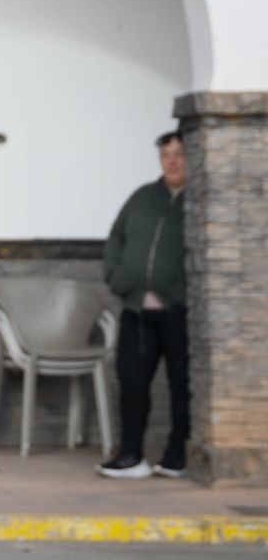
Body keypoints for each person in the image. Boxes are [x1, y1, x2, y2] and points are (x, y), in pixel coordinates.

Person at [98, 130, 189, 480]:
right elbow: (116, 238)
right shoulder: (142, 198)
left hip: (179, 313)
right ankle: (131, 455)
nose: (172, 160)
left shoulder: (201, 200)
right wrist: (116, 277)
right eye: (166, 154)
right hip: (137, 311)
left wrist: (179, 292)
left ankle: (176, 455)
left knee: (183, 386)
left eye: (179, 153)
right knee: (132, 383)